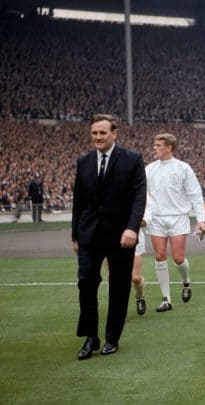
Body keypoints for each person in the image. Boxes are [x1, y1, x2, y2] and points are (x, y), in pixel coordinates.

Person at [72, 113, 146, 360]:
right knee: (86, 282)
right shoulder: (83, 162)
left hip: (121, 235)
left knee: (119, 285)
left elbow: (139, 197)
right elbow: (78, 202)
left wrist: (132, 228)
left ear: (114, 133)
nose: (98, 137)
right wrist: (75, 235)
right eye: (94, 133)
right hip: (89, 235)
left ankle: (112, 337)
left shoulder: (133, 159)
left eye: (102, 132)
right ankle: (90, 336)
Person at [144, 133, 205, 312]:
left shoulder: (183, 168)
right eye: (154, 145)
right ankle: (166, 299)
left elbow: (196, 195)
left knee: (178, 258)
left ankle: (186, 281)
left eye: (158, 145)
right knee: (159, 256)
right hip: (156, 218)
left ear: (169, 148)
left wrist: (201, 220)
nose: (154, 148)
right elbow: (144, 196)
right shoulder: (149, 169)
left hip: (178, 217)